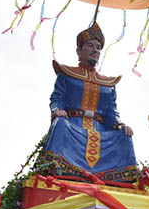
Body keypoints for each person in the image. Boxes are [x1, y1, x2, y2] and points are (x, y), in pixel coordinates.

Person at [39, 22, 138, 183]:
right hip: (73, 127)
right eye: (90, 46)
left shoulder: (108, 84)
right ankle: (56, 168)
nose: (95, 50)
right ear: (79, 51)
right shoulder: (67, 74)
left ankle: (123, 179)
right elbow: (57, 98)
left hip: (100, 131)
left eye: (98, 47)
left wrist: (120, 125)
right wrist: (57, 110)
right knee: (61, 124)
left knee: (124, 135)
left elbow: (112, 114)